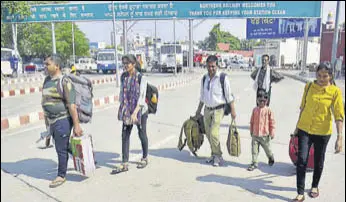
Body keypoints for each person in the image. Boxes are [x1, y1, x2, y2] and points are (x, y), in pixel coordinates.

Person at [292, 63, 344, 202]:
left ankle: (314, 186)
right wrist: (297, 127)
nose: (321, 78)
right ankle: (300, 192)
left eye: (325, 76)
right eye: (319, 75)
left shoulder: (335, 91)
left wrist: (340, 137)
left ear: (330, 76)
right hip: (304, 128)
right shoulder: (309, 87)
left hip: (323, 132)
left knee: (318, 161)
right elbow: (303, 108)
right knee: (302, 160)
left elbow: (339, 115)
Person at [41, 54, 83, 188]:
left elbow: (72, 105)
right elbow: (45, 102)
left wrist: (76, 125)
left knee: (61, 148)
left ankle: (61, 175)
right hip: (52, 121)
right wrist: (47, 127)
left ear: (57, 66)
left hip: (63, 120)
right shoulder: (47, 80)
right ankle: (86, 158)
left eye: (48, 64)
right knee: (63, 146)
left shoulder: (65, 81)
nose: (45, 66)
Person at [196, 55, 237, 167]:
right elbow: (202, 97)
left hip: (219, 109)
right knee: (208, 134)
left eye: (213, 66)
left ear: (217, 66)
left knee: (214, 133)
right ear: (206, 66)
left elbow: (229, 96)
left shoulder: (223, 78)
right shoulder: (204, 78)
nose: (211, 69)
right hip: (207, 110)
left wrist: (233, 111)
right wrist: (198, 111)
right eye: (209, 66)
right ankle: (214, 154)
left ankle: (218, 156)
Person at [111, 54, 149, 174]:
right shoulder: (123, 77)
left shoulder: (141, 77)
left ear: (134, 64)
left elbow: (142, 97)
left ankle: (145, 157)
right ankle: (125, 163)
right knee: (125, 135)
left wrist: (135, 113)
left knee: (141, 133)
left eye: (128, 63)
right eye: (124, 63)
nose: (125, 66)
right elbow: (122, 93)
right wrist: (123, 109)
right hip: (128, 109)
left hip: (140, 110)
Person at [248, 89, 275, 171]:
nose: (261, 103)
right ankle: (254, 163)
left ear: (266, 101)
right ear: (257, 100)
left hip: (265, 135)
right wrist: (251, 131)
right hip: (255, 134)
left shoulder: (268, 110)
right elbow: (252, 121)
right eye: (260, 101)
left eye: (263, 101)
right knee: (254, 149)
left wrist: (272, 133)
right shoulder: (255, 110)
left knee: (268, 149)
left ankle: (270, 157)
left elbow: (272, 122)